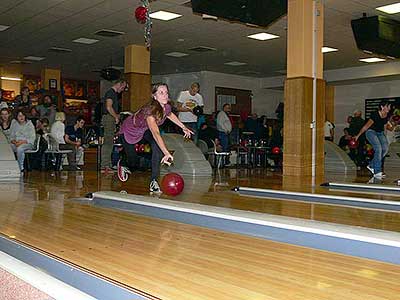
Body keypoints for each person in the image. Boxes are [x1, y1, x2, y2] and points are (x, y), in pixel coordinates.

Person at [118, 83, 193, 193]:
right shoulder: (150, 111)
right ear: (154, 96)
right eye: (161, 93)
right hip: (129, 131)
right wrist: (166, 153)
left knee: (156, 147)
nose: (165, 95)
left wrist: (183, 127)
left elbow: (170, 114)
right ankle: (123, 163)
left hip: (143, 130)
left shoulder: (166, 106)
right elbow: (156, 133)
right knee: (133, 163)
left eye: (166, 92)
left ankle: (154, 181)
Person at [354, 100, 393, 178]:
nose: (389, 108)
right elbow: (366, 126)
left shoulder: (387, 115)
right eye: (387, 106)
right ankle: (377, 171)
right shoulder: (375, 114)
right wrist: (357, 136)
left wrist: (384, 137)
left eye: (389, 106)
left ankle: (371, 165)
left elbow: (385, 127)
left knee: (385, 149)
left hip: (380, 133)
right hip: (371, 132)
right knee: (378, 149)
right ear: (382, 107)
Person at [100, 79, 128, 173]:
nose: (123, 90)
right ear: (119, 84)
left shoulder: (112, 93)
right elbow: (108, 107)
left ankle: (106, 164)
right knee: (108, 142)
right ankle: (105, 166)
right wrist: (116, 116)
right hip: (109, 118)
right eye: (123, 87)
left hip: (109, 118)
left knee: (109, 141)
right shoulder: (111, 93)